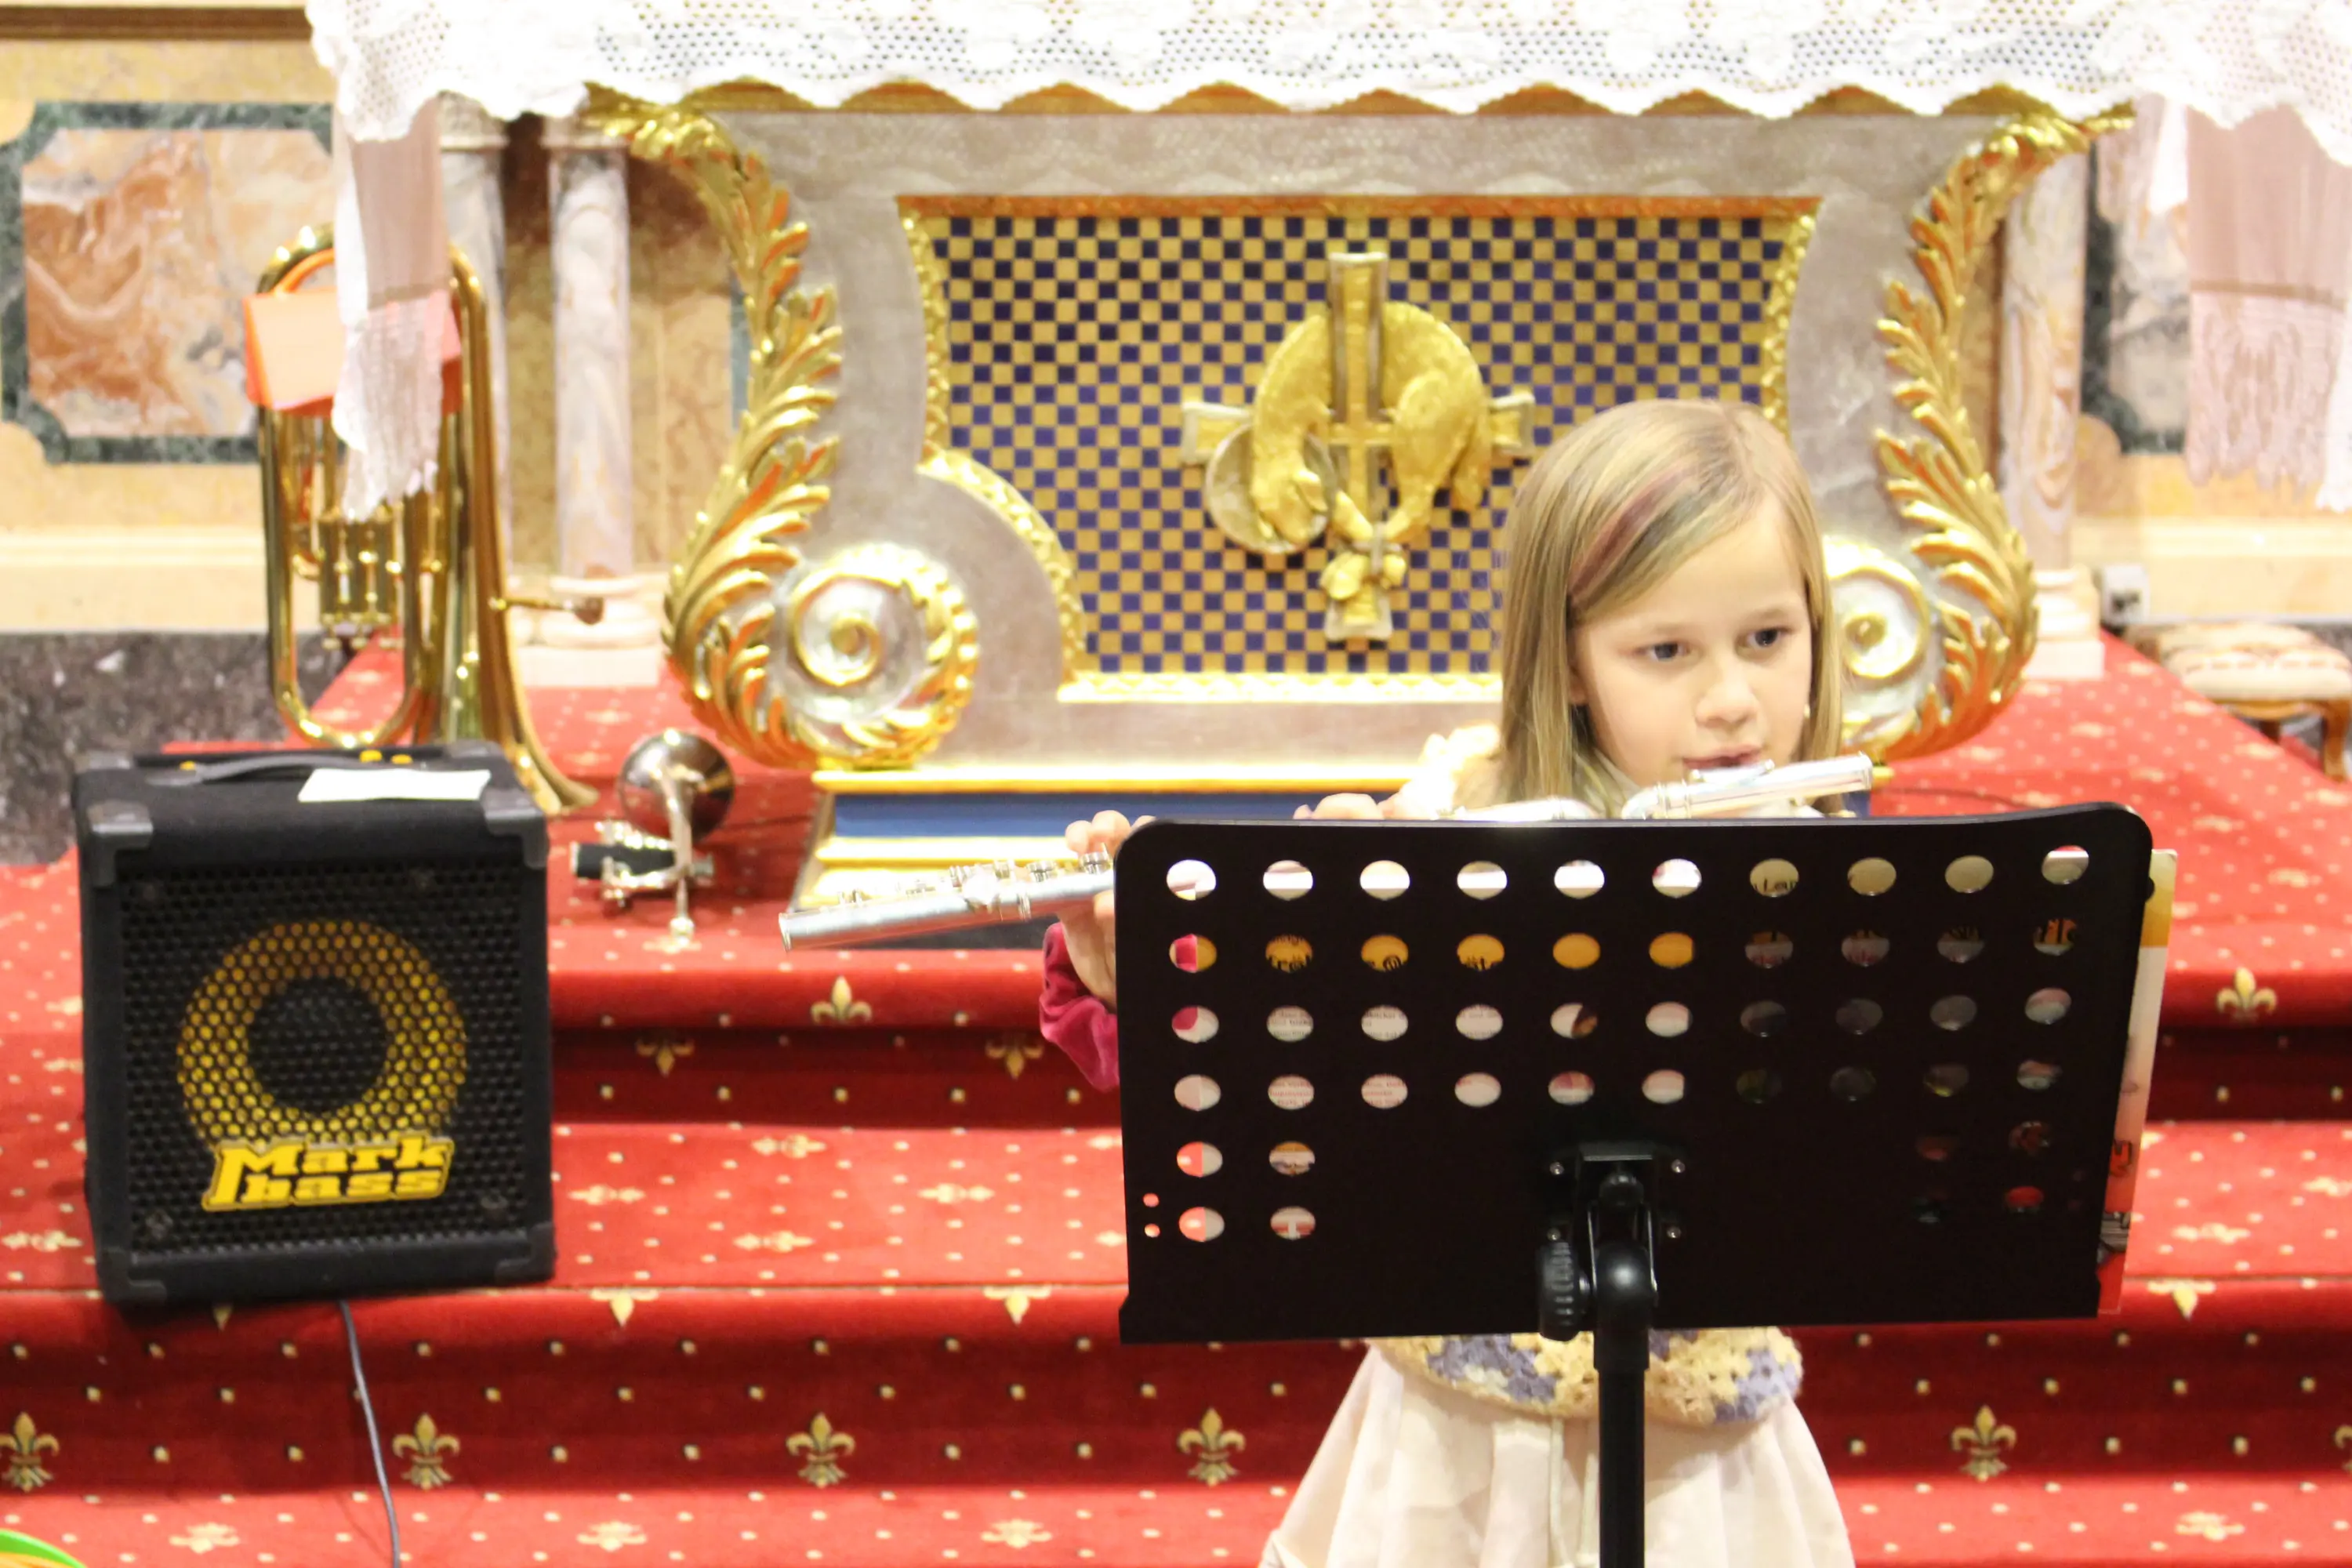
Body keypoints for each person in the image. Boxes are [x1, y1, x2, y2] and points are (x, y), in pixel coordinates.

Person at [1038, 397, 1857, 1568]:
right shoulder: (1454, 832)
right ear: (1568, 665)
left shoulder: (1843, 879)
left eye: (1768, 638)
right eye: (1665, 651)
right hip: (1458, 1451)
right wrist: (1165, 966)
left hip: (1700, 1458)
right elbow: (1269, 1096)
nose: (1730, 696)